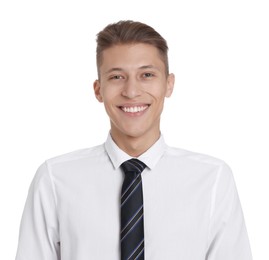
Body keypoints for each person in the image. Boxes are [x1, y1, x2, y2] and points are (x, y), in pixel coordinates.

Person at [15, 20, 252, 259]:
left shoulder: (212, 180)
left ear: (168, 85)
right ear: (98, 89)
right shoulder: (55, 179)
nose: (131, 91)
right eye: (117, 77)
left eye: (147, 75)